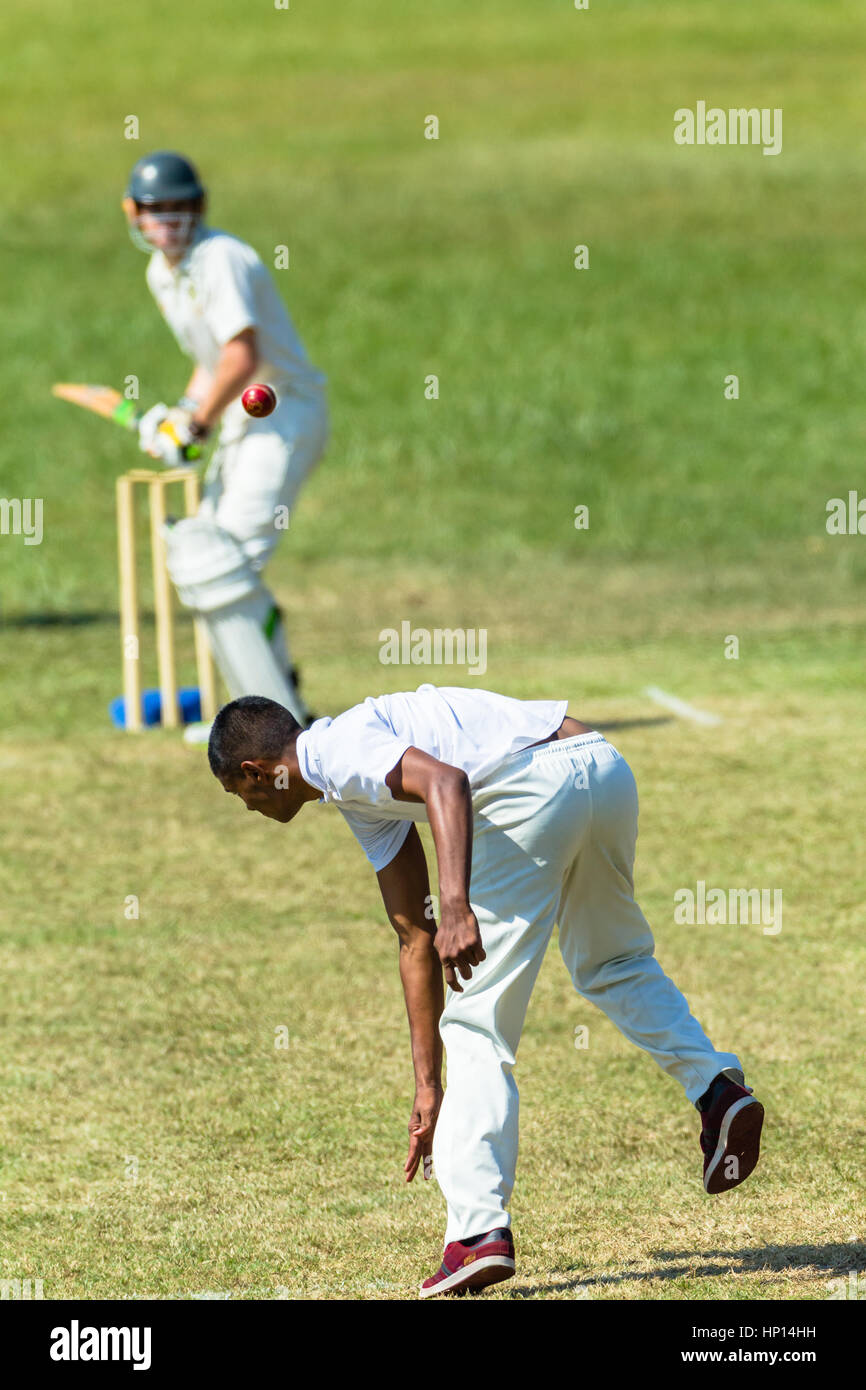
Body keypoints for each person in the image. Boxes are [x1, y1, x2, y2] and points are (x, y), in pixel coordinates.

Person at [207, 685, 764, 1298]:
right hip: (600, 766)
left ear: (256, 772)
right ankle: (716, 1089)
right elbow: (414, 938)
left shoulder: (335, 752)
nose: (250, 809)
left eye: (240, 795)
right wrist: (427, 1084)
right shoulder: (357, 793)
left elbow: (446, 783)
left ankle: (478, 1235)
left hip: (529, 787)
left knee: (477, 1024)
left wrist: (457, 905)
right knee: (613, 960)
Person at [122, 149, 329, 732]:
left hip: (282, 410)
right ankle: (266, 719)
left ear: (201, 206)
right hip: (243, 415)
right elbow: (211, 359)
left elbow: (244, 355)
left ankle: (276, 727)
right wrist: (183, 416)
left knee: (226, 559)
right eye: (156, 210)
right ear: (133, 213)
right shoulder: (163, 273)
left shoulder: (221, 259)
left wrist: (195, 425)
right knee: (203, 554)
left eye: (180, 208)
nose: (169, 221)